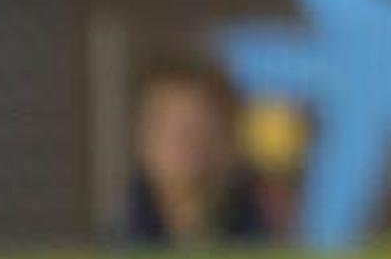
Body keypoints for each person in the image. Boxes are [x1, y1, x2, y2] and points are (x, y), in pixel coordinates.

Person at [118, 55, 279, 248]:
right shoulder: (107, 257)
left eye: (208, 131)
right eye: (181, 133)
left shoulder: (274, 248)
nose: (195, 149)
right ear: (144, 139)